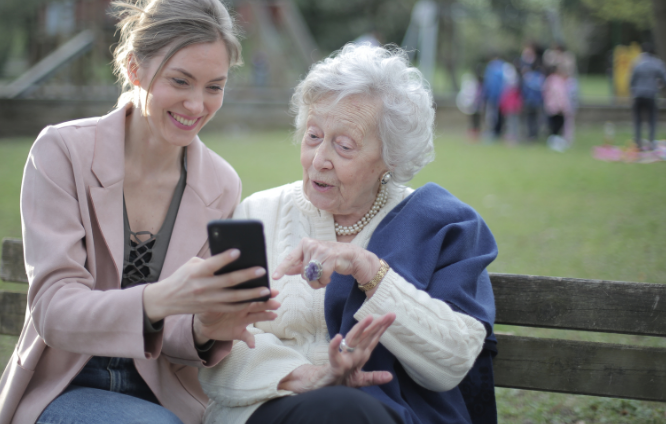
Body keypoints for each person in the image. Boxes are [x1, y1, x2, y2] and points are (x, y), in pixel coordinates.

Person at [0, 0, 279, 424]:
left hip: (167, 398)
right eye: (180, 81)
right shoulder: (62, 152)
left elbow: (178, 331)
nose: (197, 105)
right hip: (65, 387)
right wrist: (159, 298)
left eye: (214, 87)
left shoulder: (220, 183)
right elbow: (54, 309)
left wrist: (204, 327)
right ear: (133, 67)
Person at [199, 44, 498, 424]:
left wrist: (371, 271)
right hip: (265, 409)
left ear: (391, 158)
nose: (319, 159)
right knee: (340, 410)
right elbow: (218, 339)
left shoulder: (441, 226)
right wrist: (306, 376)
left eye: (343, 146)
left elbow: (453, 362)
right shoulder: (258, 213)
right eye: (313, 136)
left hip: (386, 415)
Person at [629, 41, 666, 150]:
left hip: (638, 95)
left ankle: (637, 142)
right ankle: (651, 143)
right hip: (651, 95)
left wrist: (633, 91)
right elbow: (665, 79)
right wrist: (660, 86)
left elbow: (631, 80)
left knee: (637, 120)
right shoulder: (657, 63)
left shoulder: (636, 62)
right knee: (652, 119)